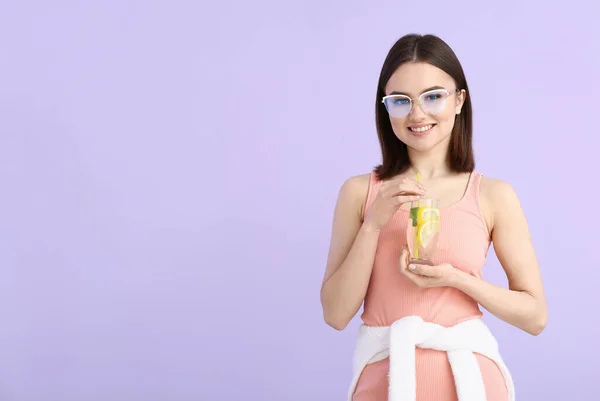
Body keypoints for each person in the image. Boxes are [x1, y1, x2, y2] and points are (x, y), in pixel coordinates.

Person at [319, 33, 548, 401]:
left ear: (459, 100)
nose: (417, 113)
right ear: (386, 108)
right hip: (385, 383)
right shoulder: (359, 193)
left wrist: (458, 280)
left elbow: (535, 316)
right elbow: (335, 313)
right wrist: (374, 223)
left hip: (471, 382)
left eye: (433, 96)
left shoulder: (493, 195)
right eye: (401, 101)